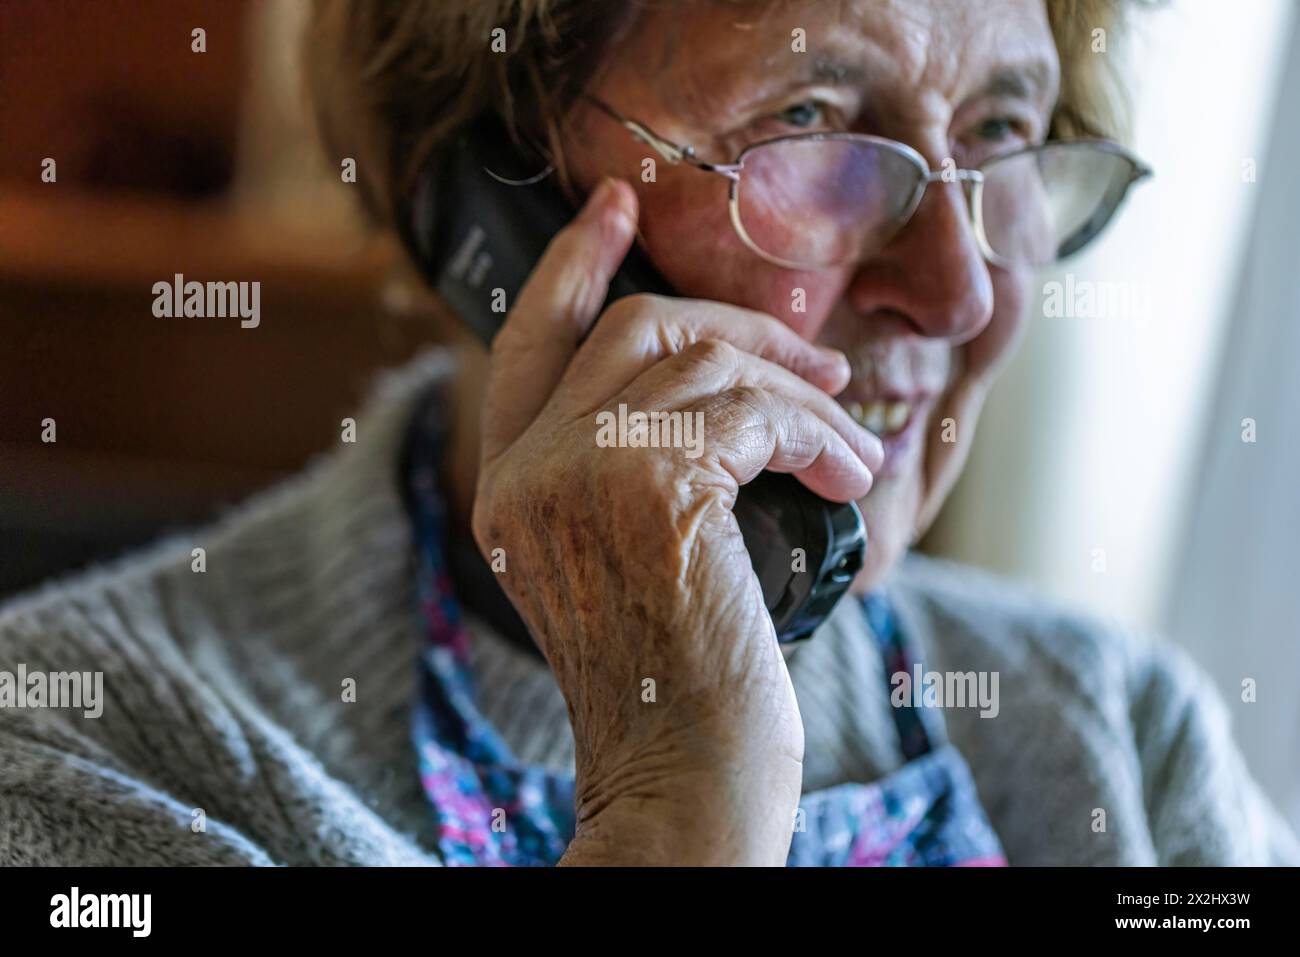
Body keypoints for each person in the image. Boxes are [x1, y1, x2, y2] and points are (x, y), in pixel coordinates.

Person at [1, 0, 1295, 866]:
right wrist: (674, 799)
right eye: (812, 122)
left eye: (1005, 133)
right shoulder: (78, 745)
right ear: (494, 202)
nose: (958, 290)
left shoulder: (1123, 747)